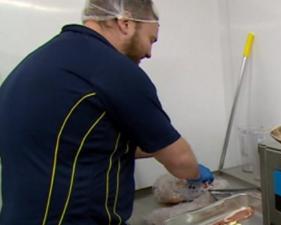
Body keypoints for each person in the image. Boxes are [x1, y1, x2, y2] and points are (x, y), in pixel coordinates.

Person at [0, 0, 214, 224]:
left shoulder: (41, 61)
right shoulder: (113, 69)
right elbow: (180, 160)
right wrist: (195, 175)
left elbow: (79, 143)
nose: (149, 52)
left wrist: (156, 147)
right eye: (150, 40)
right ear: (125, 23)